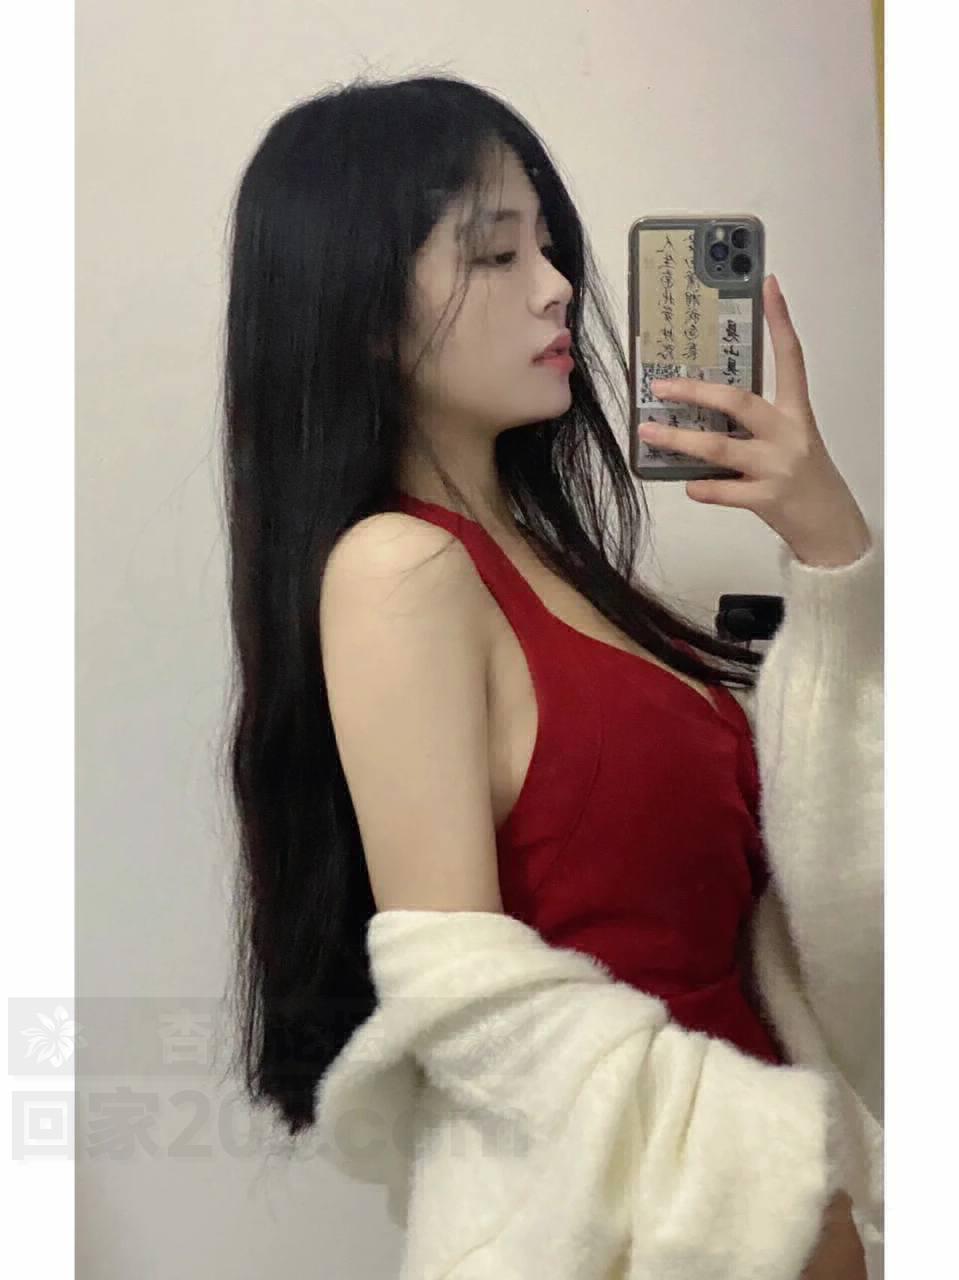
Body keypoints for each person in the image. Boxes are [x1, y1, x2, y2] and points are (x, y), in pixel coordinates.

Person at [220, 72, 880, 1277]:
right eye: (493, 251)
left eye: (547, 243)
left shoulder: (566, 574)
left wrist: (829, 545)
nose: (557, 283)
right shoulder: (398, 568)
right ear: (361, 314)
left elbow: (804, 895)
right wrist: (779, 1176)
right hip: (645, 1230)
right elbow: (471, 999)